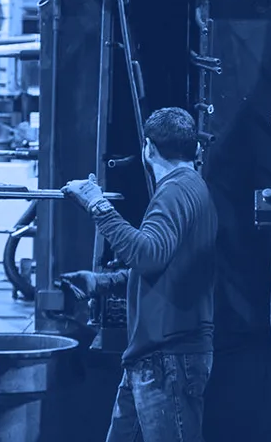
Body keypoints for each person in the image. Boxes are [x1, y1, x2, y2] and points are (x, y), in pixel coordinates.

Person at [61, 107, 218, 442]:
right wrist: (102, 282)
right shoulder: (190, 188)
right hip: (150, 358)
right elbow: (166, 265)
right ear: (196, 148)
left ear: (148, 148)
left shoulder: (176, 192)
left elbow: (147, 255)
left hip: (167, 361)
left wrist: (96, 204)